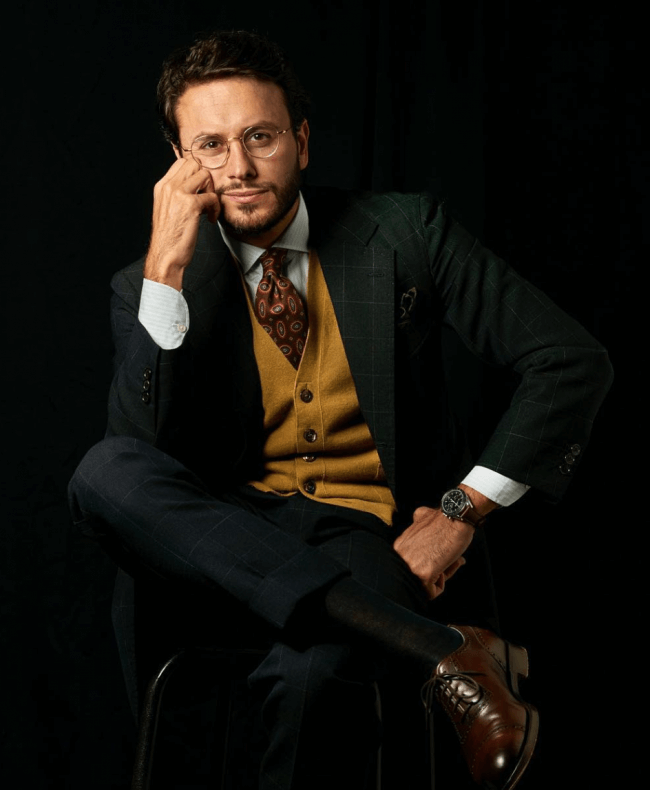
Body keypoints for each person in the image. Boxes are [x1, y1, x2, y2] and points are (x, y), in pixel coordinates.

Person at [68, 29, 612, 790]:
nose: (240, 168)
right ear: (179, 163)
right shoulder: (151, 285)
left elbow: (569, 359)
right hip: (222, 556)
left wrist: (461, 510)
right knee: (104, 468)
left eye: (260, 137)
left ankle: (399, 632)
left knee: (314, 680)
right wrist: (166, 263)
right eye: (211, 146)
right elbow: (136, 474)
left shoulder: (405, 232)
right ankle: (442, 649)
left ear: (301, 140)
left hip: (363, 540)